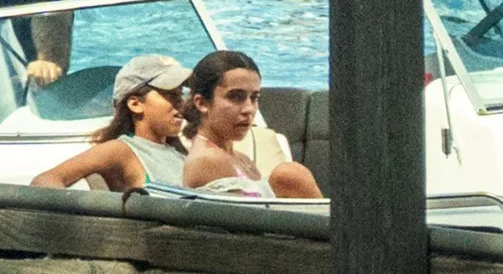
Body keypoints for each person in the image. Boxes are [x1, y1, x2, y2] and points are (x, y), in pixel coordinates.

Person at [29, 55, 192, 192]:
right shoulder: (122, 150)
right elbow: (45, 180)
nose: (180, 102)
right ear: (135, 104)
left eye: (180, 94)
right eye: (170, 95)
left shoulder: (178, 151)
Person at [181, 50, 323, 199]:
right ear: (202, 103)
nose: (249, 109)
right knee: (290, 174)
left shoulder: (240, 159)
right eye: (235, 97)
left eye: (254, 98)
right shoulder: (209, 160)